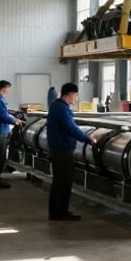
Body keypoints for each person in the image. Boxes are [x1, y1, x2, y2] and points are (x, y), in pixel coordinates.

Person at [47, 83, 94, 221]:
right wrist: (88, 139)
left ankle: (56, 212)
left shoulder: (56, 105)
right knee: (64, 182)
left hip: (57, 149)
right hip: (63, 150)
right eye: (75, 95)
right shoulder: (62, 108)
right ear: (70, 94)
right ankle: (60, 213)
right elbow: (70, 128)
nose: (76, 98)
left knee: (58, 181)